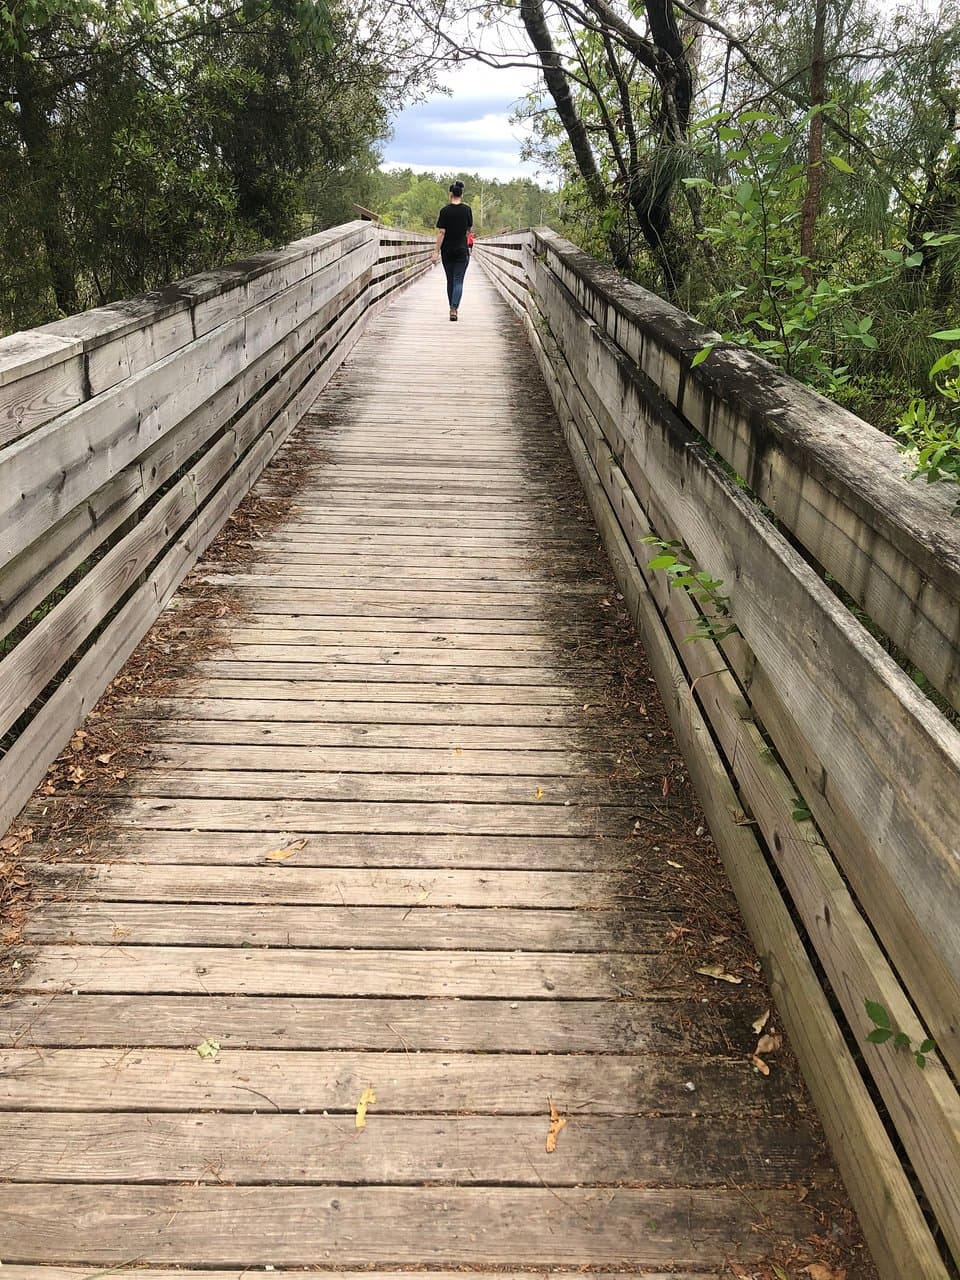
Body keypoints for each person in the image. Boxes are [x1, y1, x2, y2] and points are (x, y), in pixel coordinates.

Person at [432, 181, 473, 321]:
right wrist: (466, 244)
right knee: (458, 281)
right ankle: (454, 308)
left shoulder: (444, 211)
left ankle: (452, 307)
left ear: (450, 194)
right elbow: (468, 231)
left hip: (447, 251)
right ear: (461, 194)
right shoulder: (467, 210)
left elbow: (441, 233)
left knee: (450, 281)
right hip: (461, 250)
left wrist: (436, 251)